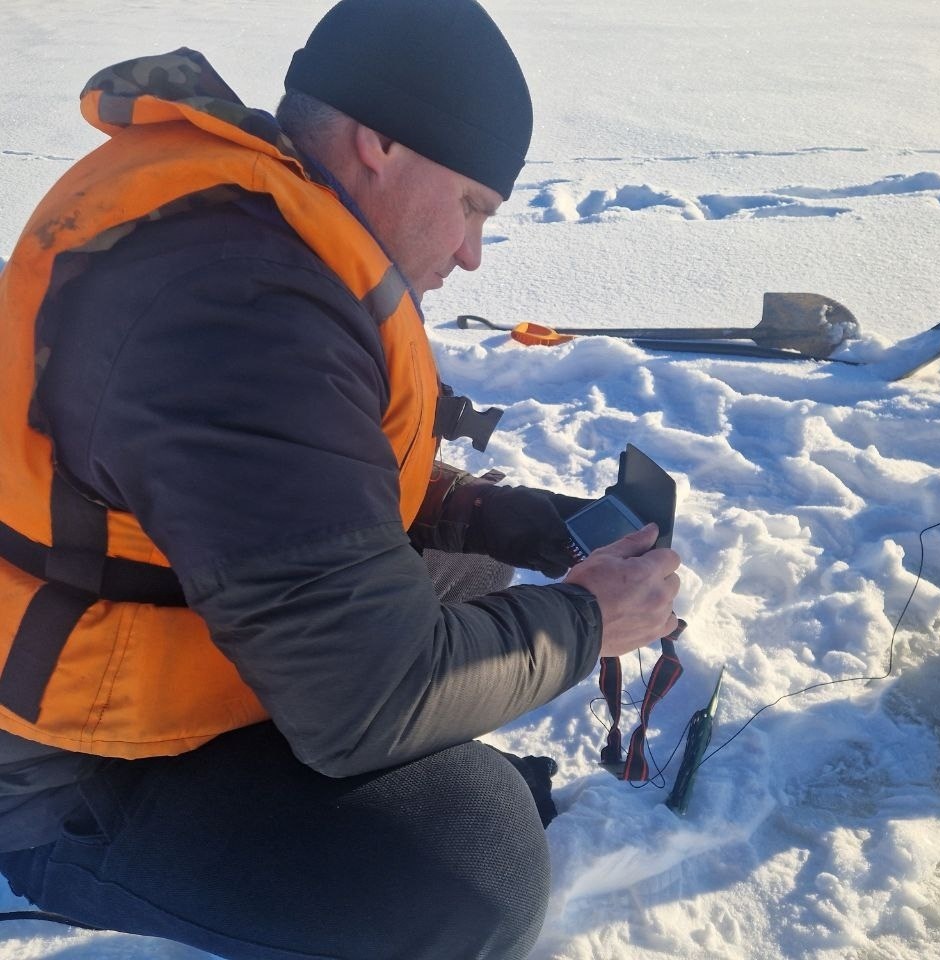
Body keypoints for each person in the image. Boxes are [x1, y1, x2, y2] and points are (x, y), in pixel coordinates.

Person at [0, 1, 681, 957]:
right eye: (474, 206)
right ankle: (58, 870)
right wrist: (588, 622)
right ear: (380, 143)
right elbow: (369, 703)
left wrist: (502, 517)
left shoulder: (255, 232)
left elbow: (313, 471)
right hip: (66, 762)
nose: (472, 252)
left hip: (173, 616)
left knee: (473, 589)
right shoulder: (238, 307)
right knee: (475, 862)